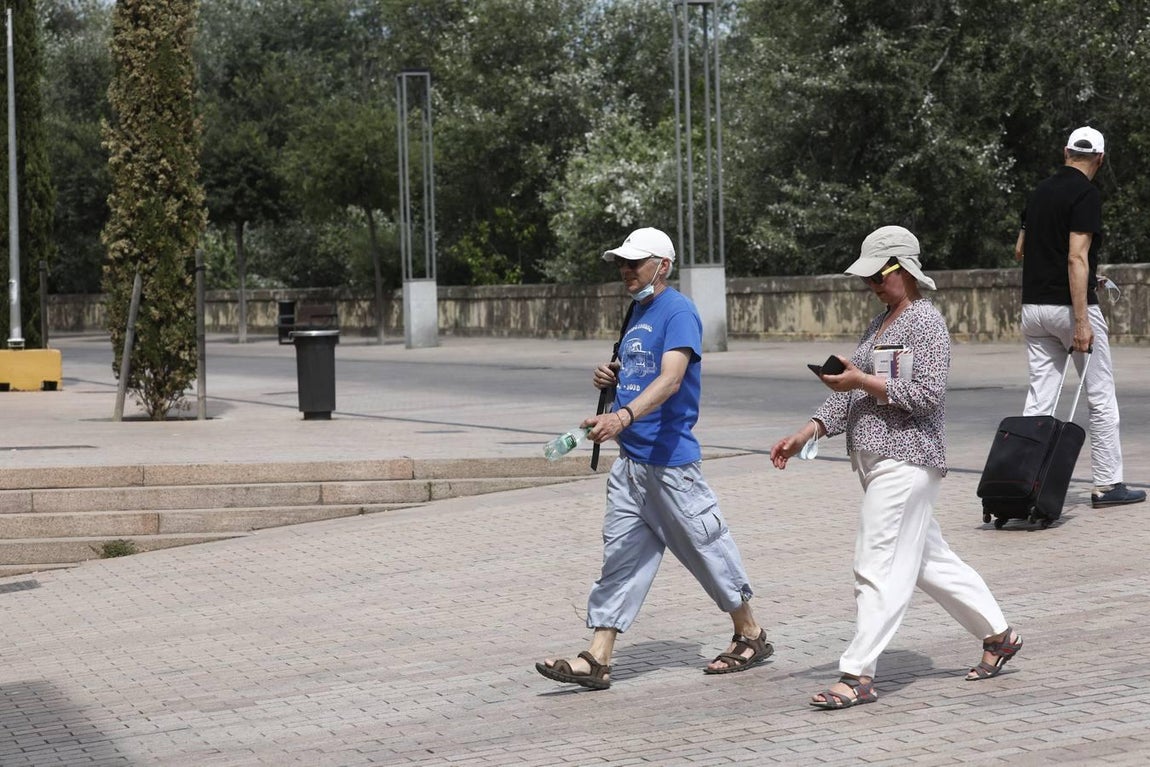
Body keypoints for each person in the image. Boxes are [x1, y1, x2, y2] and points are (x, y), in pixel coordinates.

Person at [770, 225, 1021, 709]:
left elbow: (928, 396)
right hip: (877, 461)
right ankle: (999, 635)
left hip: (907, 459)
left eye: (878, 276)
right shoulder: (880, 322)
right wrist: (807, 432)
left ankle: (858, 674)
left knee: (876, 564)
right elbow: (854, 393)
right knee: (929, 562)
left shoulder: (926, 323)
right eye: (867, 278)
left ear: (904, 269)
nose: (871, 285)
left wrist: (861, 380)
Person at [535, 227, 772, 691]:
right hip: (630, 464)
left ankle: (750, 633)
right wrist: (614, 376)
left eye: (635, 262)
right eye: (622, 263)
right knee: (620, 559)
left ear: (662, 265)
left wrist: (622, 416)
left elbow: (671, 378)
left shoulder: (678, 311)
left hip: (671, 465)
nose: (625, 270)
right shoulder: (637, 310)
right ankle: (598, 656)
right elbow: (642, 371)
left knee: (706, 548)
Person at [1014, 126, 1145, 509]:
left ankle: (1024, 484)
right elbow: (1075, 257)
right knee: (1099, 394)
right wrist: (1083, 321)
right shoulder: (1086, 194)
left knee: (1039, 399)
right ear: (1100, 159)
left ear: (1065, 152)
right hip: (1070, 310)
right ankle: (1107, 484)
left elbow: (1022, 249)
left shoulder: (1038, 192)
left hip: (1033, 309)